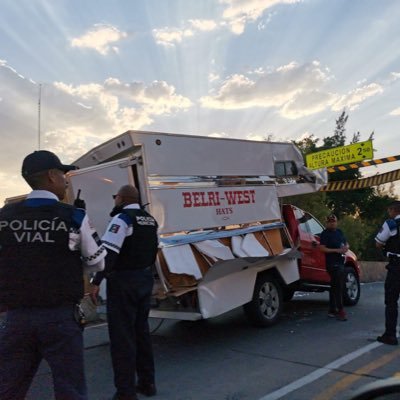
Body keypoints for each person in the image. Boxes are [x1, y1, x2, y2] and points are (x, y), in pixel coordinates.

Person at [0, 150, 107, 400]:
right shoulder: (73, 216)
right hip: (59, 317)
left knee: (9, 388)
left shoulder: (4, 217)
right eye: (63, 174)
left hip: (15, 318)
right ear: (51, 176)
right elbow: (98, 262)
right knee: (70, 389)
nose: (66, 180)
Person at [90, 185, 158, 400]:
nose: (114, 201)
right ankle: (147, 383)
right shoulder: (150, 220)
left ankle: (125, 393)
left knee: (122, 338)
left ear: (122, 198)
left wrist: (96, 281)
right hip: (144, 280)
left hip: (124, 283)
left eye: (115, 198)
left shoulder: (122, 219)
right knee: (141, 333)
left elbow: (108, 253)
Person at [375, 200, 400, 346]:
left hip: (396, 267)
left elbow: (378, 243)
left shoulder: (390, 224)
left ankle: (390, 335)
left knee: (391, 301)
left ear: (393, 210)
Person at [319, 214, 349, 321]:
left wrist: (346, 248)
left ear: (337, 222)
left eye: (334, 221)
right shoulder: (325, 234)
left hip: (340, 261)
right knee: (339, 285)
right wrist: (336, 250)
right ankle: (340, 310)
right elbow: (322, 248)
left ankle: (332, 309)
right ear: (327, 223)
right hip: (332, 263)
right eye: (330, 221)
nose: (332, 223)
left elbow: (345, 243)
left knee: (334, 285)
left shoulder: (339, 232)